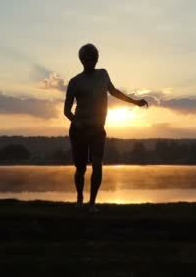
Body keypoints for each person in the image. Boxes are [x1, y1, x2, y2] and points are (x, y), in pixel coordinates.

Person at [63, 43, 148, 212]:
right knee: (80, 169)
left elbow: (114, 91)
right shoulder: (75, 82)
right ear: (82, 60)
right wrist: (76, 121)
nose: (91, 61)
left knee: (97, 163)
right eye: (87, 58)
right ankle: (80, 198)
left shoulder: (103, 75)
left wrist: (135, 102)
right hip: (79, 130)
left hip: (97, 130)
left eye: (94, 58)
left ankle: (92, 203)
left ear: (96, 59)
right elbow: (66, 110)